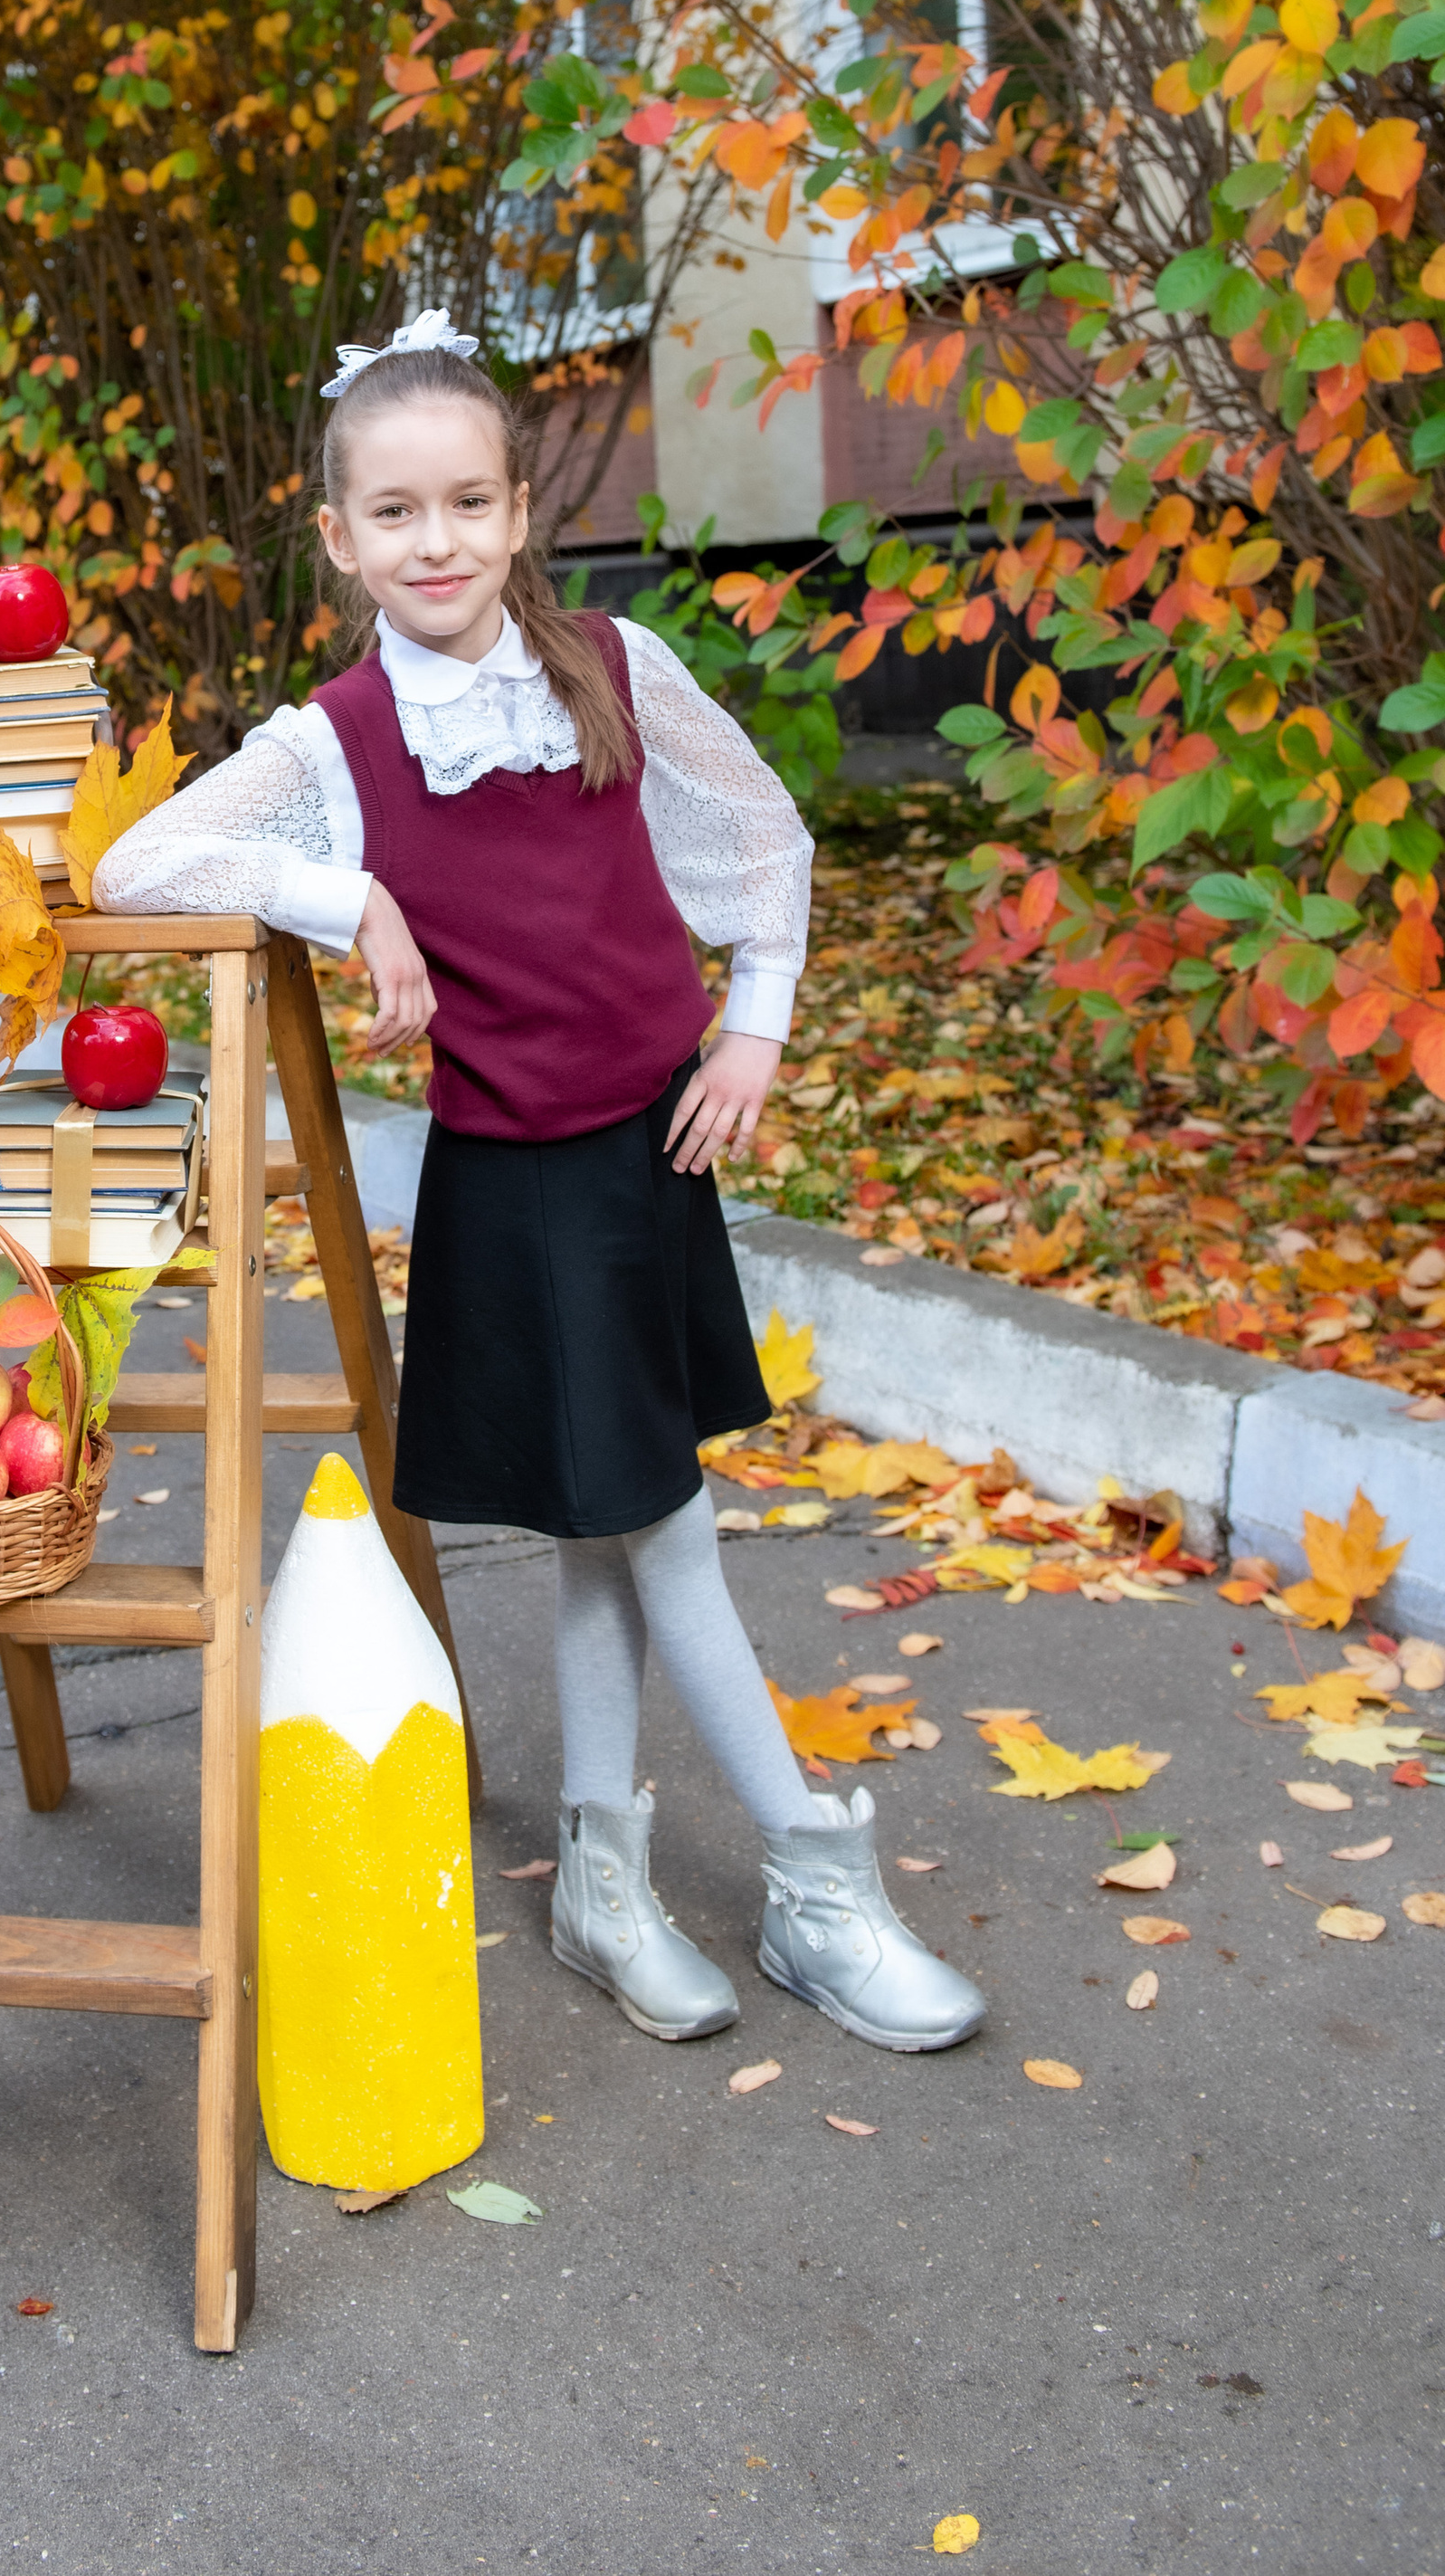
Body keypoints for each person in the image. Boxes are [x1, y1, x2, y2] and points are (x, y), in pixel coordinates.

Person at [95, 310, 983, 2056]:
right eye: (397, 512)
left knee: (603, 1527)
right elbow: (141, 858)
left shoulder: (610, 665)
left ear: (517, 512)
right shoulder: (340, 741)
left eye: (469, 504)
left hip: (651, 1160)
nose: (438, 543)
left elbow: (762, 836)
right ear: (339, 536)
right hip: (525, 1193)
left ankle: (600, 1872)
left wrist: (755, 1026)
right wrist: (346, 896)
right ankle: (812, 1872)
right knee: (663, 1529)